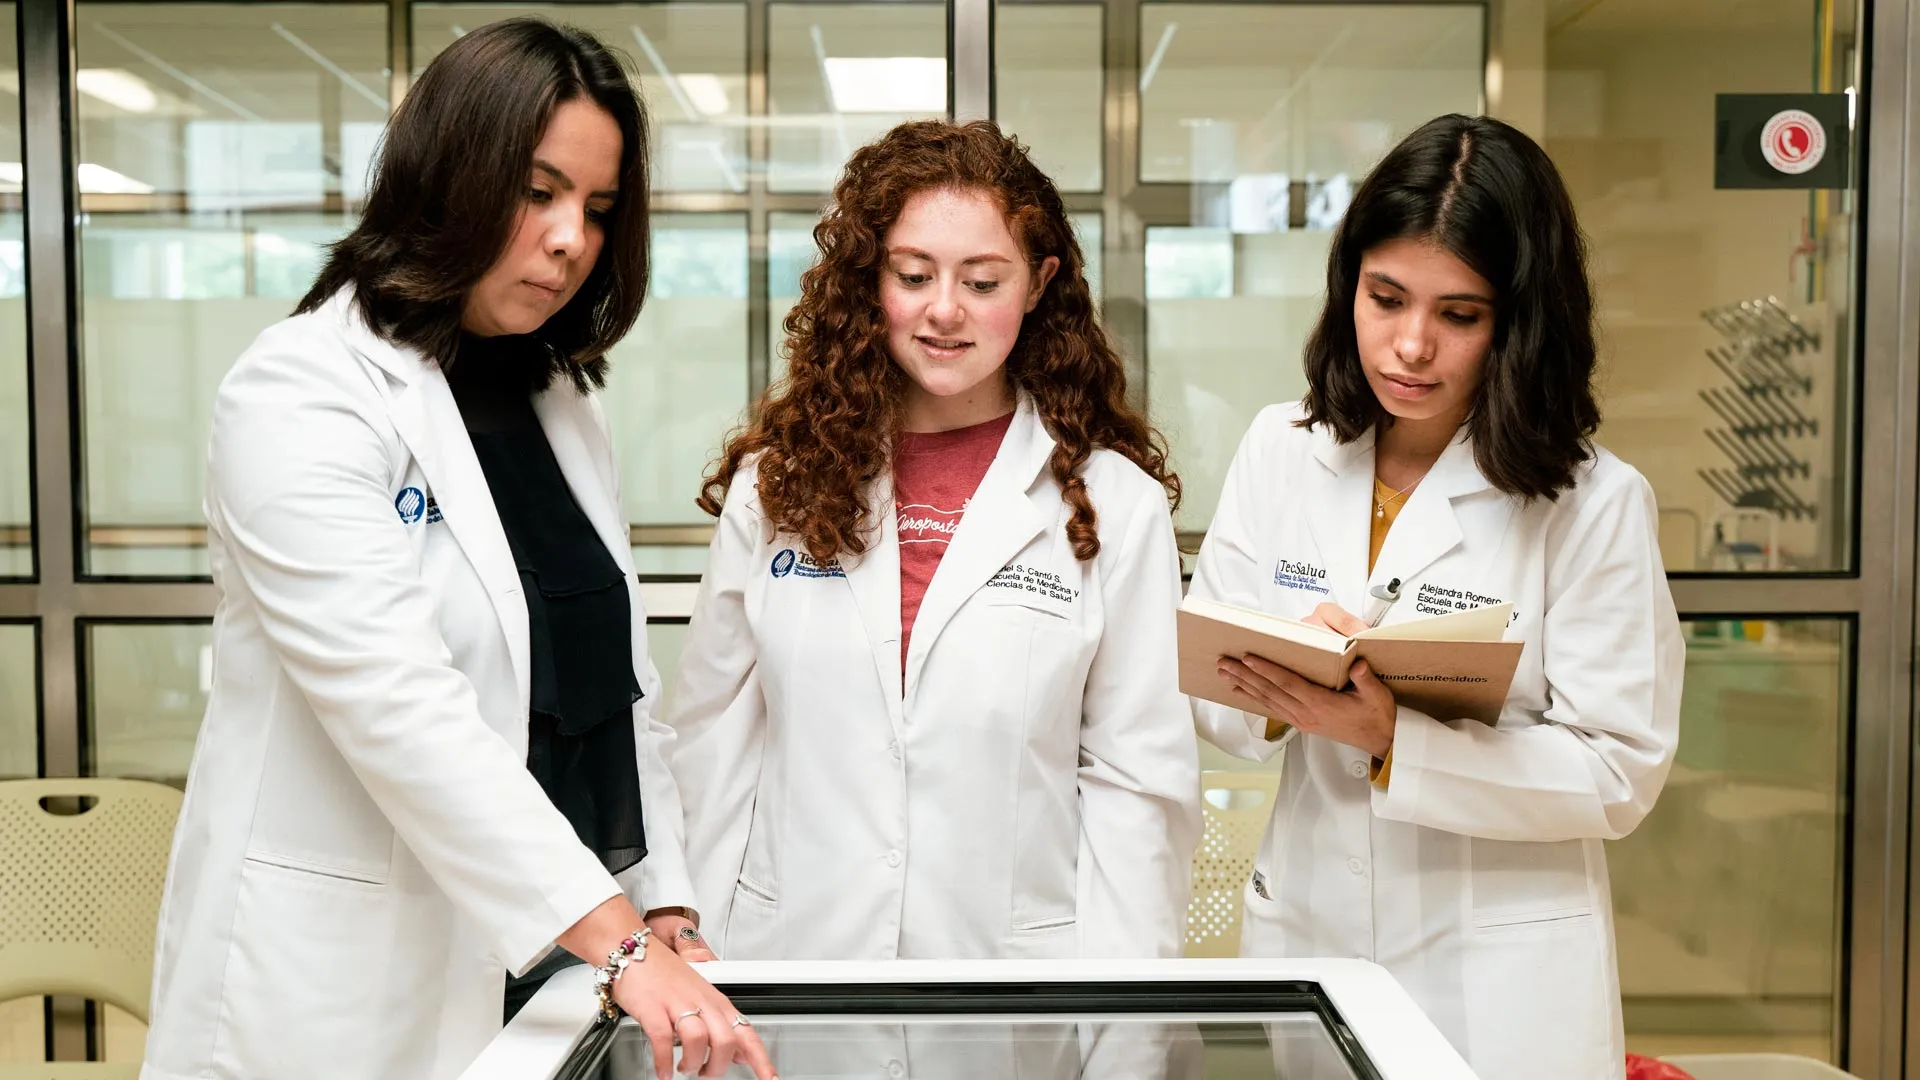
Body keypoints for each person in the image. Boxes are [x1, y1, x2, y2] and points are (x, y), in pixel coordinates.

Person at [141, 20, 772, 1080]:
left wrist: (662, 897)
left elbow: (620, 684)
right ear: (449, 178)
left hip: (556, 960)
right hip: (352, 980)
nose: (572, 238)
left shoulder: (558, 399)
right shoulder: (301, 390)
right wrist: (616, 935)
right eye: (539, 192)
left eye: (598, 209)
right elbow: (397, 705)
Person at [1189, 113, 1683, 1080]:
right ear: (1349, 287)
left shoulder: (1592, 501)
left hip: (1501, 973)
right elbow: (1211, 690)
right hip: (1314, 935)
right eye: (1386, 298)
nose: (1410, 346)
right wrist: (1289, 675)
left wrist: (1393, 741)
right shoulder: (1281, 447)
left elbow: (1619, 769)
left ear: (1519, 320)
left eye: (1459, 315)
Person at [668, 119, 1201, 961]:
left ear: (1038, 283)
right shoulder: (778, 486)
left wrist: (1122, 1020)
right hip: (794, 964)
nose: (944, 311)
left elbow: (1139, 790)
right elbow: (709, 741)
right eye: (913, 275)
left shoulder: (1115, 505)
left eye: (983, 281)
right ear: (869, 280)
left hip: (1014, 984)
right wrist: (681, 932)